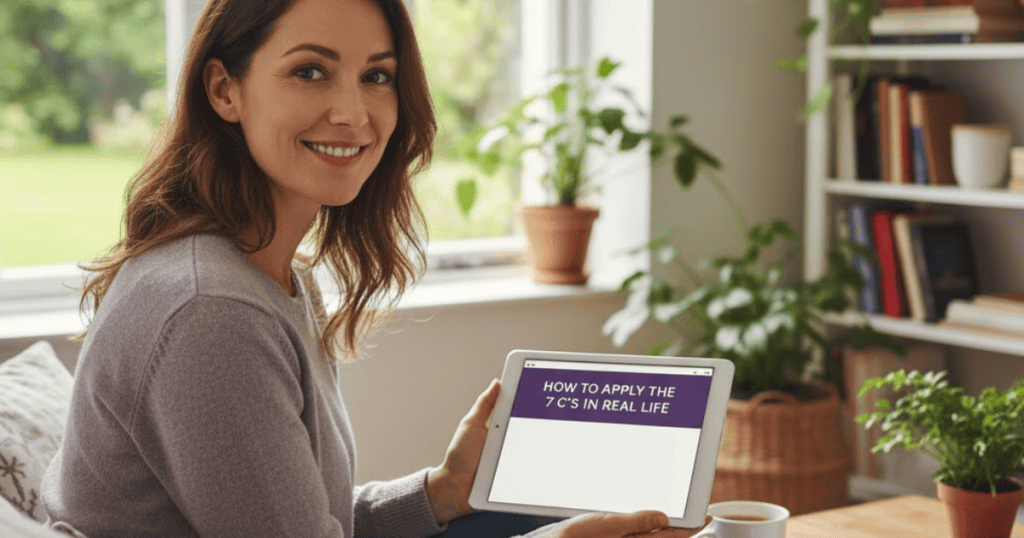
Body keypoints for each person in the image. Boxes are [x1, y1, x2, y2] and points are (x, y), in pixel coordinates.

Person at [40, 0, 711, 537]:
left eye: (377, 76)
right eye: (310, 71)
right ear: (224, 90)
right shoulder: (211, 312)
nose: (353, 112)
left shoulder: (272, 275)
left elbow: (307, 519)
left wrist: (442, 492)